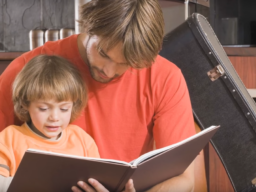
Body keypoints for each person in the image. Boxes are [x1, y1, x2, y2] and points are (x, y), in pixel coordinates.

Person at [0, 0, 198, 191]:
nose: (109, 71)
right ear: (89, 26)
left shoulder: (165, 78)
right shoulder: (26, 72)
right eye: (103, 53)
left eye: (126, 63)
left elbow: (184, 180)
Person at [0, 55, 103, 191]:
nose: (55, 117)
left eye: (64, 109)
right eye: (43, 108)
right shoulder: (10, 138)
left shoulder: (82, 140)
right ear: (25, 103)